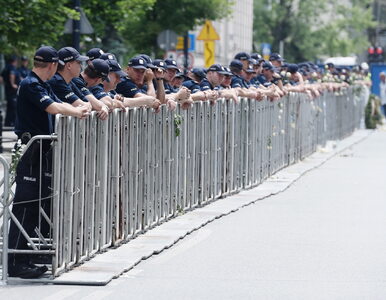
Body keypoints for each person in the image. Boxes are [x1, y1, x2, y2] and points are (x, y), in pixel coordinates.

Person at [8, 46, 89, 279]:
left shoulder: (41, 84)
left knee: (37, 205)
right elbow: (53, 107)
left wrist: (79, 108)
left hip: (41, 151)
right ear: (53, 65)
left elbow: (61, 104)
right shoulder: (31, 84)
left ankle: (26, 255)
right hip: (31, 151)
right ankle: (15, 261)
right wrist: (78, 111)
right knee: (26, 205)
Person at [1, 55, 20, 126]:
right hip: (12, 91)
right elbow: (12, 75)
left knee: (9, 107)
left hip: (8, 90)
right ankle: (12, 123)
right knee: (13, 107)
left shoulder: (6, 67)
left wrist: (5, 84)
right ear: (14, 61)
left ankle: (7, 123)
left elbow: (1, 78)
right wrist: (12, 84)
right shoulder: (12, 67)